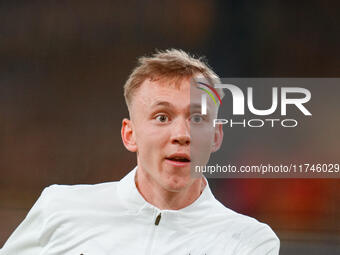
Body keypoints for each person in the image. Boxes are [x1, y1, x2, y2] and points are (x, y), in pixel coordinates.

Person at [0, 49, 280, 255]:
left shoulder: (250, 242)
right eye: (162, 117)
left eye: (197, 119)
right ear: (129, 134)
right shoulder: (59, 207)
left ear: (216, 136)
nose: (182, 135)